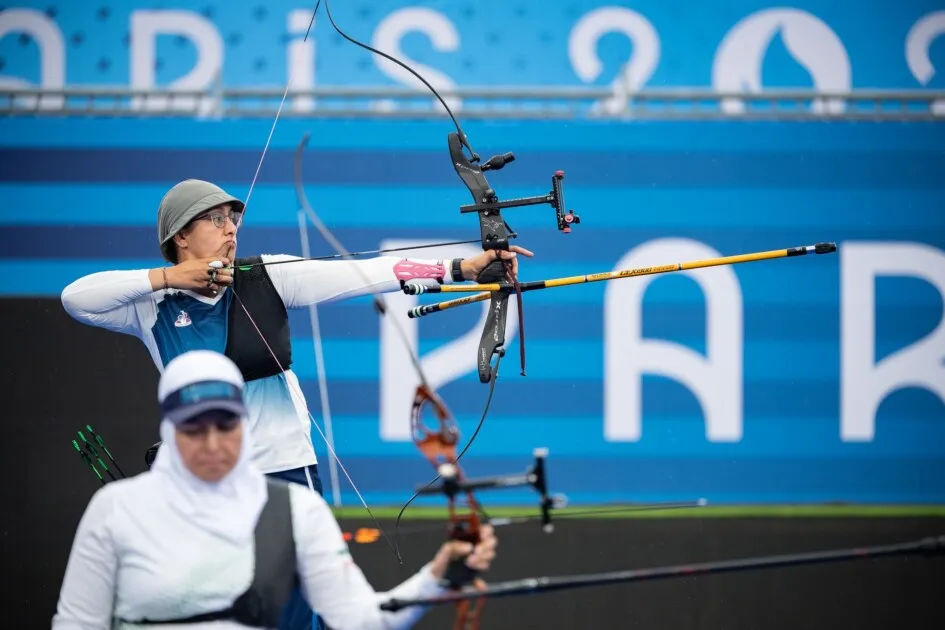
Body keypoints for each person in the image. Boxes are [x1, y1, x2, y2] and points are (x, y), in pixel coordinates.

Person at [59, 179, 530, 629]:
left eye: (233, 219)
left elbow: (362, 272)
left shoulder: (266, 277)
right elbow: (76, 299)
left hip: (284, 471)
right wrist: (169, 277)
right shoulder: (151, 306)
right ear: (181, 235)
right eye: (216, 219)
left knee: (298, 613)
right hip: (203, 482)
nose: (231, 229)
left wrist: (460, 269)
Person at [52, 349, 499, 630]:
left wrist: (437, 576)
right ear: (168, 430)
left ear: (244, 425)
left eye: (225, 425)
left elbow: (360, 619)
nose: (212, 444)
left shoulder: (296, 511)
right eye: (194, 428)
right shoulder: (116, 509)